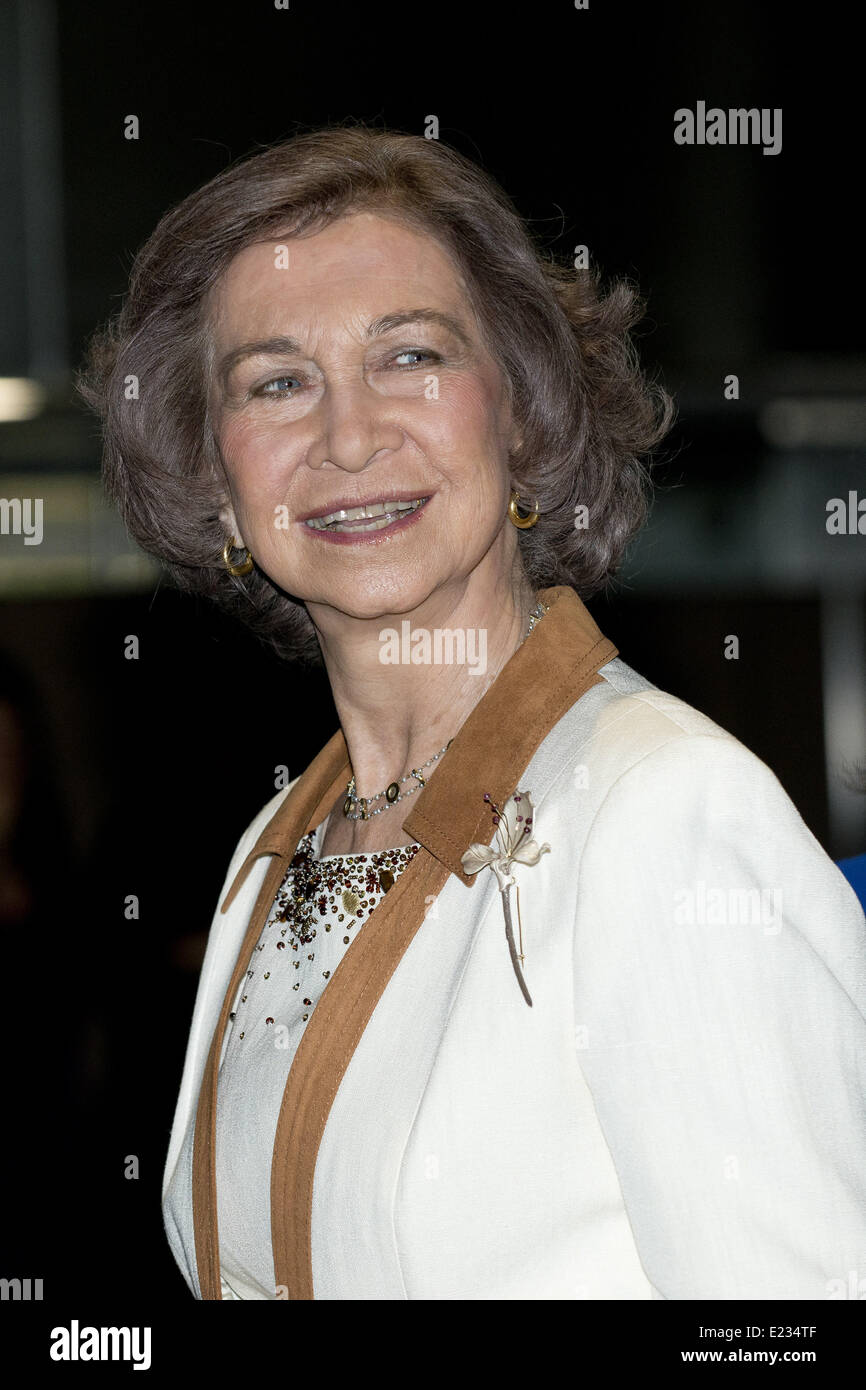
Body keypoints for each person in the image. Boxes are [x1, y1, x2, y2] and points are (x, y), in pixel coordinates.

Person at [78, 125, 866, 1301]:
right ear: (217, 478)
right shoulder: (268, 853)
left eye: (409, 357)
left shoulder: (662, 815)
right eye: (278, 381)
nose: (348, 436)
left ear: (522, 416)